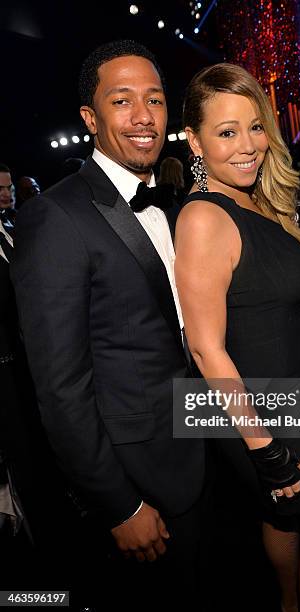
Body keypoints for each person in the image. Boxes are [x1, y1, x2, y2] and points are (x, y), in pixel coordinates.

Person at [11, 40, 205, 610]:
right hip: (134, 479)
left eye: (155, 99)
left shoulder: (168, 204)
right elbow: (60, 386)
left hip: (192, 450)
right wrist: (118, 503)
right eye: (122, 102)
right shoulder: (54, 217)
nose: (144, 117)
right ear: (90, 119)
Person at [175, 62, 300, 612]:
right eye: (227, 132)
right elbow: (204, 345)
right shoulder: (205, 216)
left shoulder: (257, 201)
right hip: (256, 408)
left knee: (283, 514)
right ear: (194, 141)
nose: (248, 145)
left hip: (288, 396)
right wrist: (264, 448)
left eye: (256, 127)